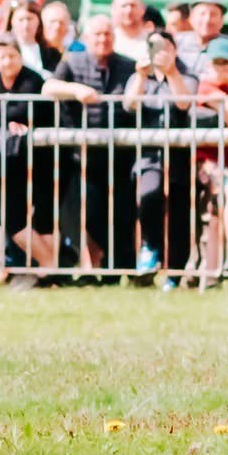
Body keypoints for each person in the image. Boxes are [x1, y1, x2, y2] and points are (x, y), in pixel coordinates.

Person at [43, 14, 137, 274]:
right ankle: (96, 267)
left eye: (107, 34)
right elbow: (48, 87)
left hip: (122, 152)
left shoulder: (128, 65)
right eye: (97, 34)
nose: (103, 39)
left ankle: (121, 268)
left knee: (123, 212)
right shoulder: (72, 61)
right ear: (85, 38)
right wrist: (75, 90)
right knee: (92, 214)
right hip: (83, 154)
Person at [0, 34, 55, 282]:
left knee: (14, 215)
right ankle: (8, 267)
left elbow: (25, 110)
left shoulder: (32, 79)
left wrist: (1, 113)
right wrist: (4, 116)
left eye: (12, 55)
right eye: (2, 57)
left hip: (30, 160)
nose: (8, 61)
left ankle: (48, 262)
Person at [124, 31, 194, 283]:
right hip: (148, 155)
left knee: (178, 214)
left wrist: (172, 72)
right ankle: (150, 246)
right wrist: (142, 75)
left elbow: (185, 103)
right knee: (149, 195)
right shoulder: (139, 76)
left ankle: (174, 272)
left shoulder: (186, 76)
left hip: (179, 154)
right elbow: (129, 103)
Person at [190, 37, 228, 282]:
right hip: (205, 163)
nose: (220, 68)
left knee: (217, 215)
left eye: (226, 63)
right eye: (215, 62)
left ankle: (214, 273)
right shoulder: (203, 88)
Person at [109, 0, 152, 65]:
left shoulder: (154, 41)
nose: (129, 10)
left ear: (143, 9)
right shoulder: (105, 41)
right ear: (113, 9)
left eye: (133, 5)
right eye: (124, 6)